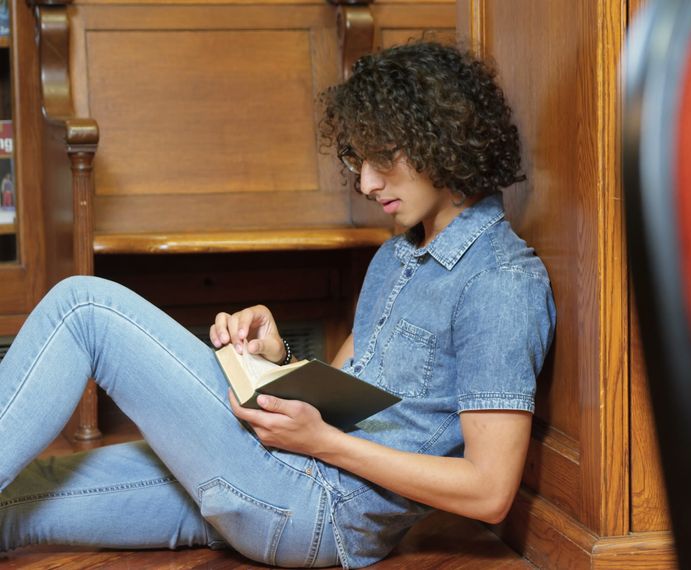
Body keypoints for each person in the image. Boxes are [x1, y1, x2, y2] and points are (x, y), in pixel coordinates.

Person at [0, 42, 555, 568]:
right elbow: (341, 400)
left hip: (316, 509)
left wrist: (325, 444)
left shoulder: (502, 281)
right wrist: (276, 358)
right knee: (17, 499)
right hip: (275, 471)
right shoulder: (397, 255)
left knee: (83, 308)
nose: (365, 182)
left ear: (444, 137)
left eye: (383, 158)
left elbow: (489, 491)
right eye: (359, 161)